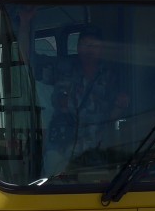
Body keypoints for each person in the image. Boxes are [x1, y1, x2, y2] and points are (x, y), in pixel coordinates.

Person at [45, 27, 130, 174]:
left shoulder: (110, 77)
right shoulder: (64, 69)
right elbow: (28, 61)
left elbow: (112, 116)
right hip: (61, 147)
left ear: (102, 49)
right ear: (78, 47)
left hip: (96, 150)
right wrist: (25, 26)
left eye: (95, 46)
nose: (89, 50)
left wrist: (120, 106)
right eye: (85, 44)